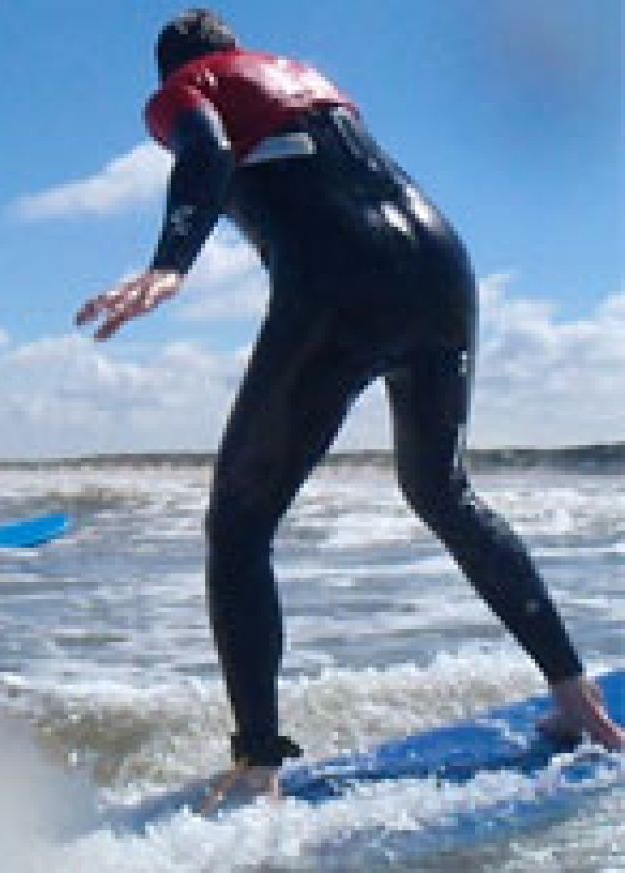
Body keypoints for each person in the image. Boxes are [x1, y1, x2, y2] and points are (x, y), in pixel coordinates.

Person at [73, 8, 624, 811]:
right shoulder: (307, 79)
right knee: (442, 490)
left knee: (236, 525)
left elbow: (205, 150)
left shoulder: (186, 87)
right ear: (235, 49)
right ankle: (579, 703)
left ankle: (258, 766)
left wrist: (170, 262)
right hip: (440, 266)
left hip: (339, 280)